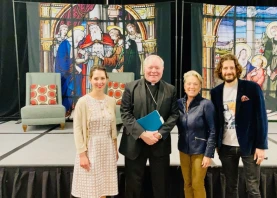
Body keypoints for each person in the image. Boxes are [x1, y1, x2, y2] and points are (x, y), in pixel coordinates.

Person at [119, 55, 179, 198]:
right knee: (133, 185)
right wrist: (142, 134)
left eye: (157, 68)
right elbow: (125, 113)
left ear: (162, 70)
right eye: (150, 67)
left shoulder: (170, 89)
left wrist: (159, 134)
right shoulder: (130, 87)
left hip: (159, 143)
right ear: (143, 69)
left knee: (161, 185)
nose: (153, 71)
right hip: (135, 142)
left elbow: (174, 115)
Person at [210, 54, 268, 198]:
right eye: (225, 68)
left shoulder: (251, 88)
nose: (228, 71)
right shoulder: (215, 92)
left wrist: (261, 146)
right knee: (230, 188)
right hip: (226, 147)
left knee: (253, 189)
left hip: (249, 146)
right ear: (220, 71)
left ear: (237, 69)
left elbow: (261, 118)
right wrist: (216, 144)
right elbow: (216, 120)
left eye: (231, 67)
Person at [71, 65, 118, 198]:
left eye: (102, 78)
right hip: (90, 148)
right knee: (91, 189)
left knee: (103, 189)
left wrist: (115, 149)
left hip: (107, 148)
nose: (99, 82)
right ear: (90, 79)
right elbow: (77, 129)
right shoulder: (82, 102)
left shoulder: (111, 101)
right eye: (96, 78)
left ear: (107, 79)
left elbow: (112, 128)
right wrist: (82, 154)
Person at [176, 70, 216, 198]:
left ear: (200, 86)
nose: (191, 87)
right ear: (184, 86)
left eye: (195, 84)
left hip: (200, 151)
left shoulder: (206, 104)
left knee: (197, 184)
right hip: (183, 149)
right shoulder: (179, 104)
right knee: (187, 183)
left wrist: (208, 154)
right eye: (189, 83)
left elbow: (213, 131)